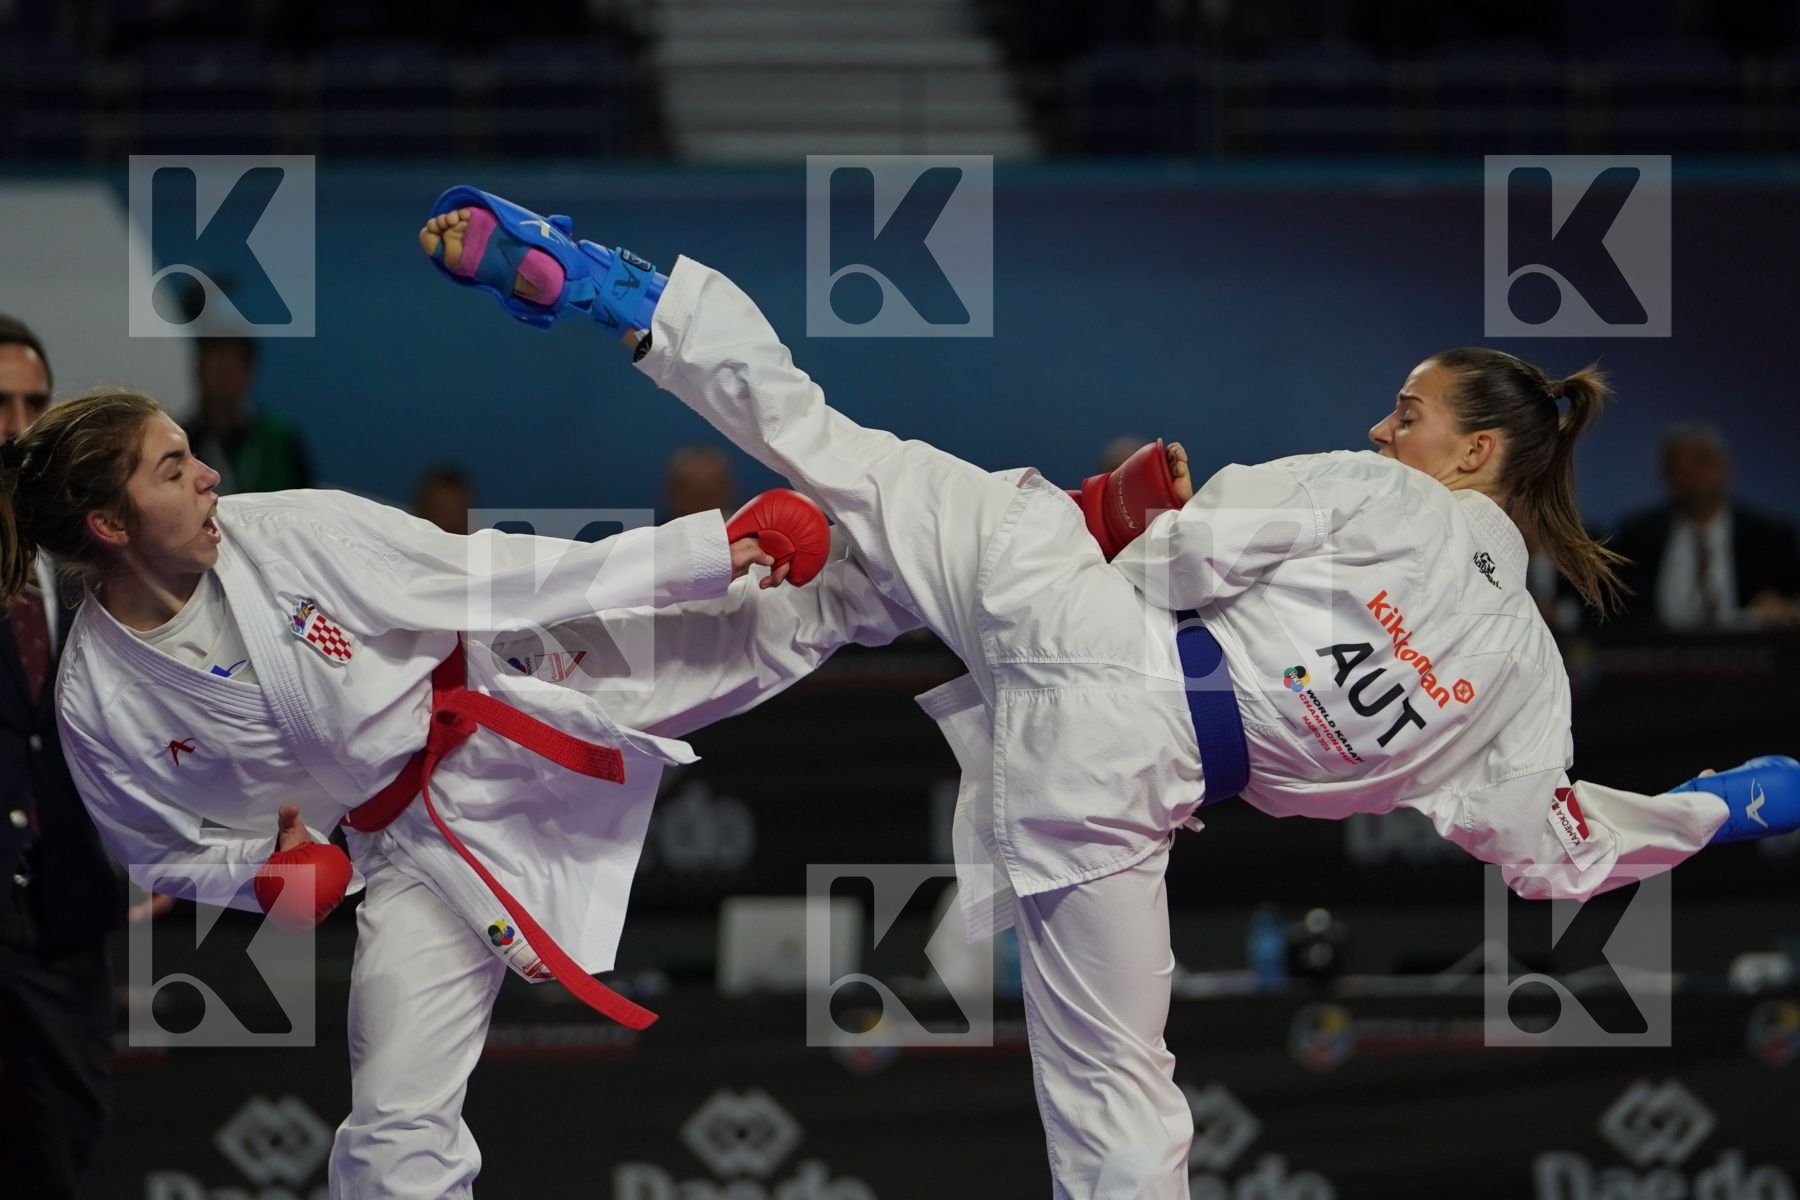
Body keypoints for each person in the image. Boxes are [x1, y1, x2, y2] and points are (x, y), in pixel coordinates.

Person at [423, 188, 1800, 1198]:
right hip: (1128, 798)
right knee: (1119, 1101)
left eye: (1409, 414)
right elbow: (1548, 855)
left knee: (842, 470)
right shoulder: (1528, 681)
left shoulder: (1383, 494)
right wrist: (1720, 807)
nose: (1385, 429)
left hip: (1102, 643)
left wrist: (1106, 520)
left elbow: (1200, 547)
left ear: (1474, 452)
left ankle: (620, 330)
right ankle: (579, 659)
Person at [3, 386, 918, 1198]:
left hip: (511, 685)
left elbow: (488, 574)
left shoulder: (283, 533)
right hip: (412, 853)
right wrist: (263, 872)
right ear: (110, 526)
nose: (208, 475)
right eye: (173, 469)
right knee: (397, 1131)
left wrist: (705, 548)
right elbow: (147, 849)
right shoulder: (99, 698)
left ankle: (1000, 552)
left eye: (191, 454)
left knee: (772, 624)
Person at [0, 316, 123, 1199]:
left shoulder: (91, 567)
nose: (17, 423)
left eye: (35, 403)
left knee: (59, 1164)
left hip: (65, 923)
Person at [1610, 423, 1800, 630]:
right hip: (1657, 657)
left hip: (1748, 656)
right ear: (1665, 476)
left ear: (1725, 468)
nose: (1689, 473)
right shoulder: (1636, 537)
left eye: (1701, 462)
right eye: (1677, 466)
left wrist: (1784, 608)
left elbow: (1789, 602)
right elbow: (1617, 610)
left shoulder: (1769, 538)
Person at [182, 335, 314, 493]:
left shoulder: (280, 437)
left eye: (233, 365)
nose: (224, 376)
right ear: (198, 369)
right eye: (217, 364)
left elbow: (308, 504)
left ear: (249, 371)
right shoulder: (182, 439)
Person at [412, 462, 475, 535]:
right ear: (422, 510)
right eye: (440, 512)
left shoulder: (483, 544)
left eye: (457, 513)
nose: (450, 522)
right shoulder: (401, 541)